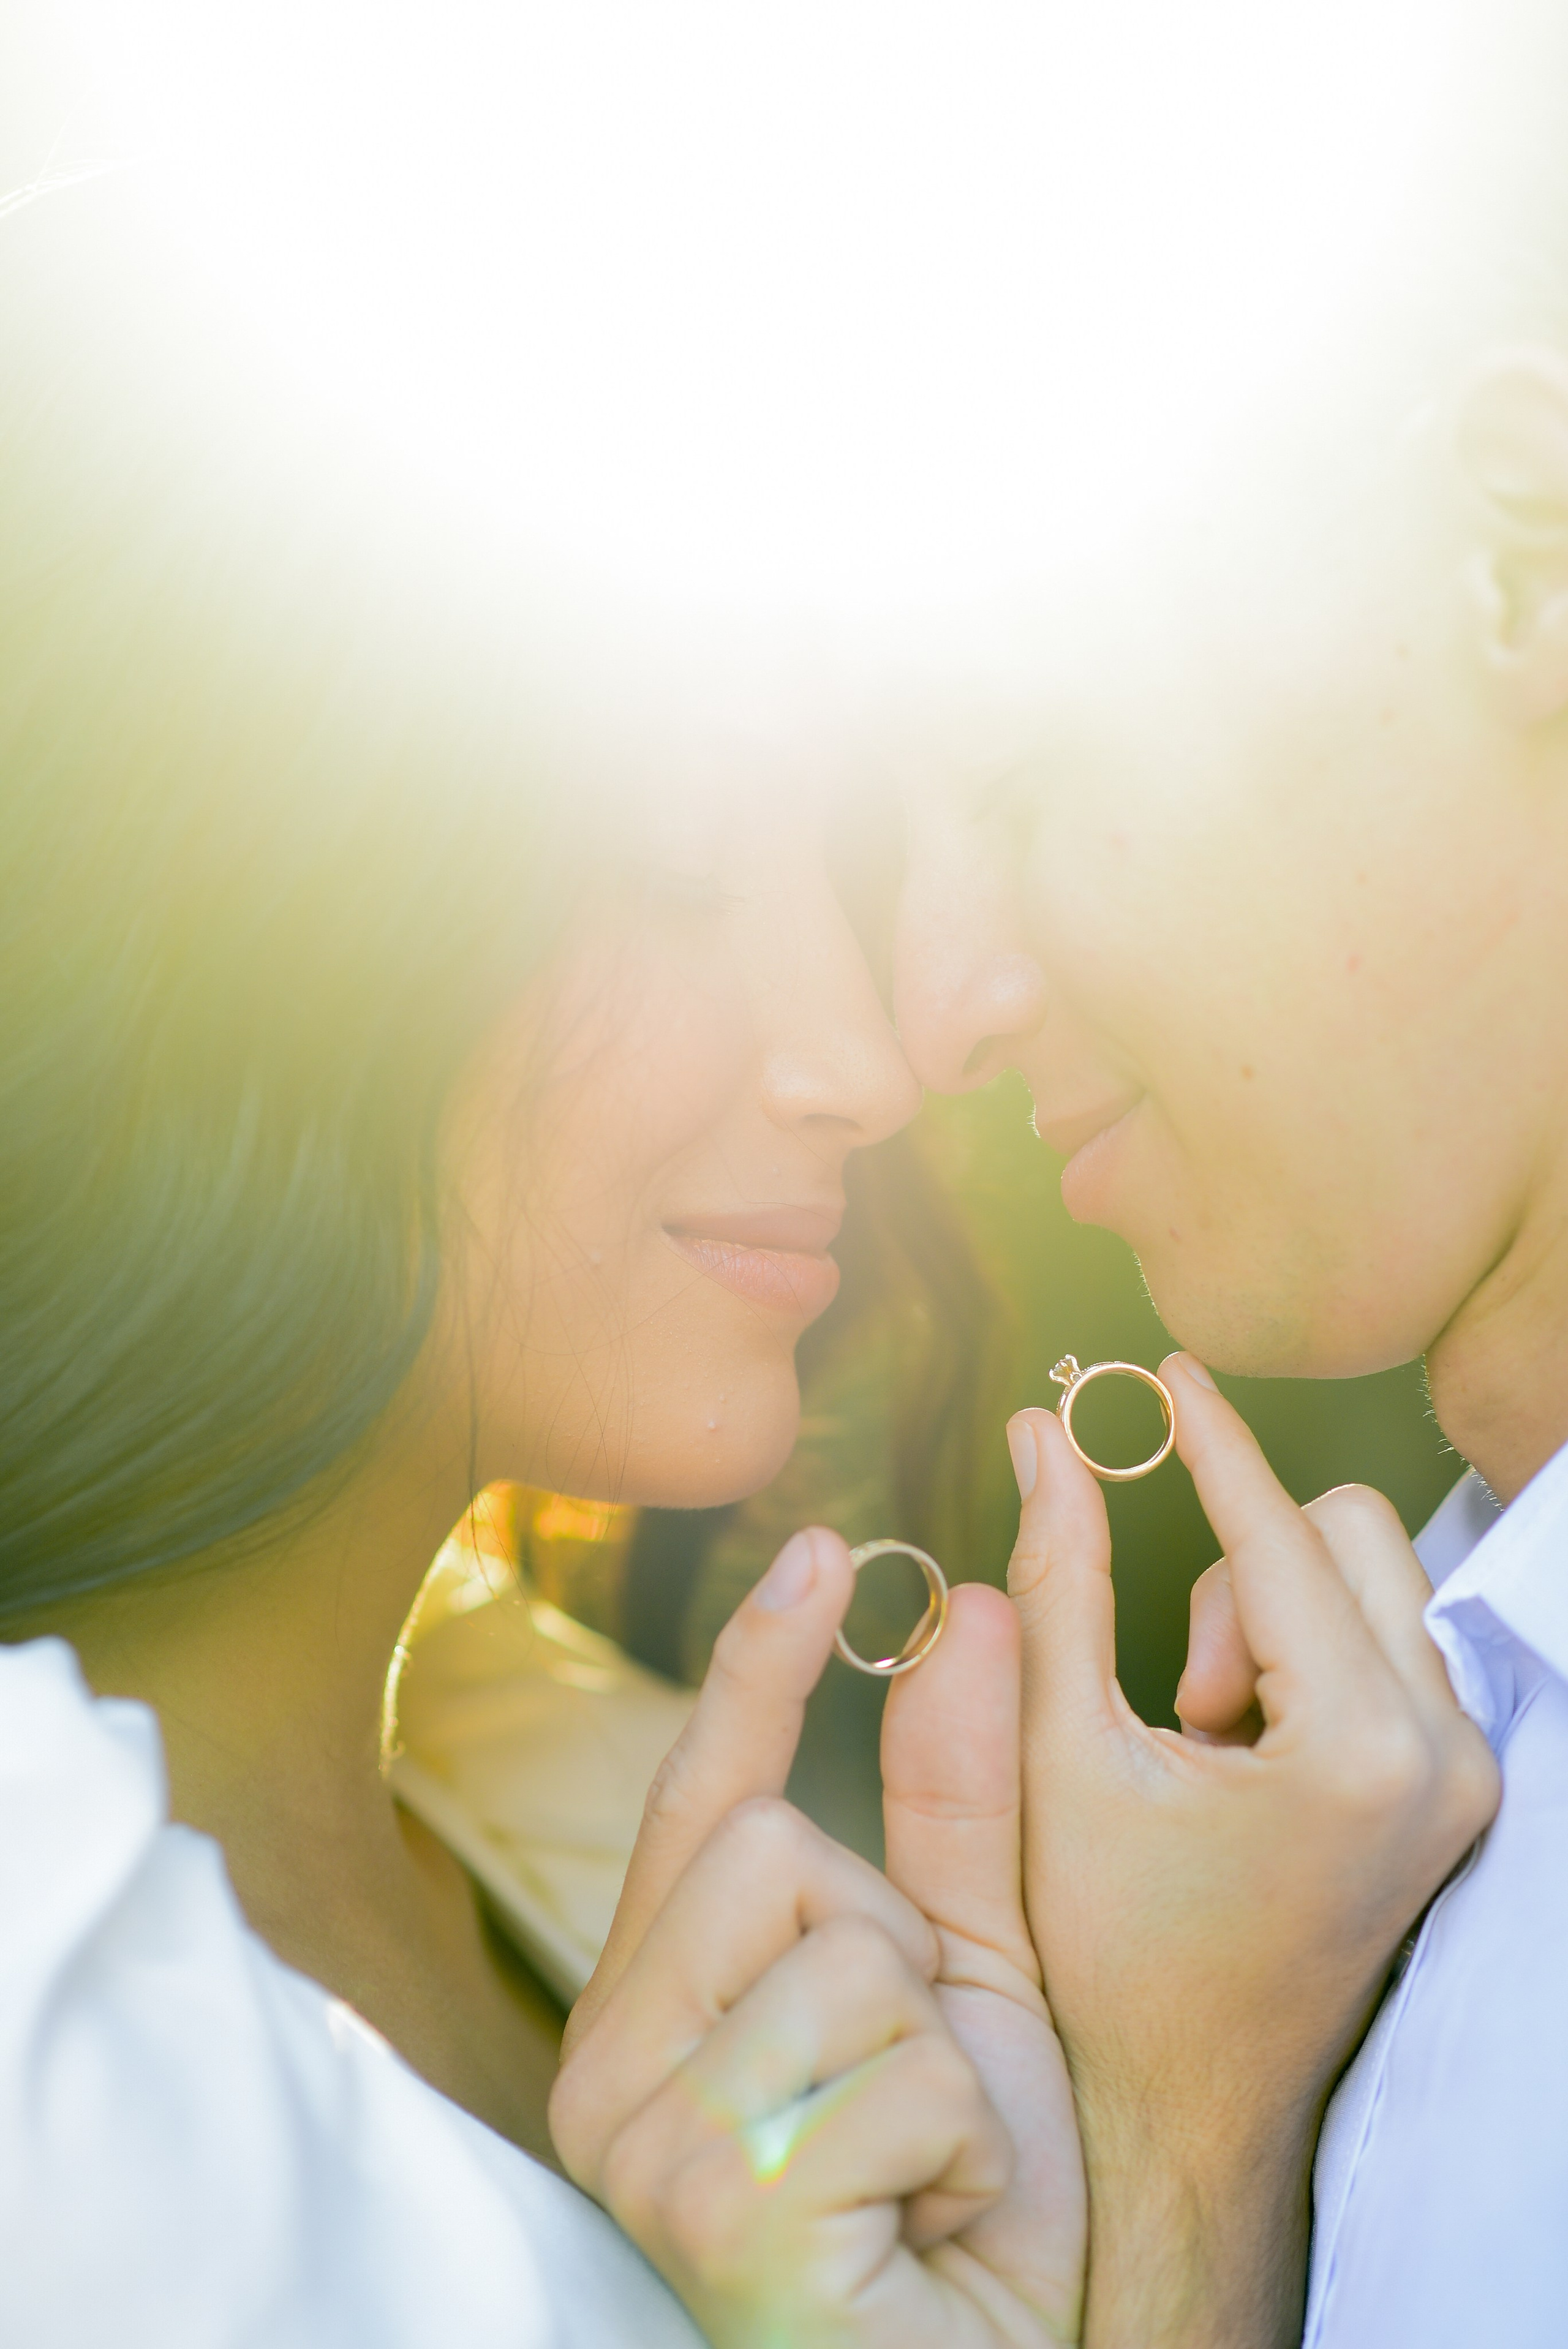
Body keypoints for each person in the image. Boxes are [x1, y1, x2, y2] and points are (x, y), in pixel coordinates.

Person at [0, 169, 1100, 2347]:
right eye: (677, 864)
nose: (865, 1060)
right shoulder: (55, 2011)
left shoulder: (618, 1817)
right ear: (237, 913)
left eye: (831, 868)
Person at [886, 3, 1568, 2339]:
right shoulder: (1437, 1725)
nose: (942, 998)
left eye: (1027, 759)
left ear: (1530, 560)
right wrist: (1193, 2142)